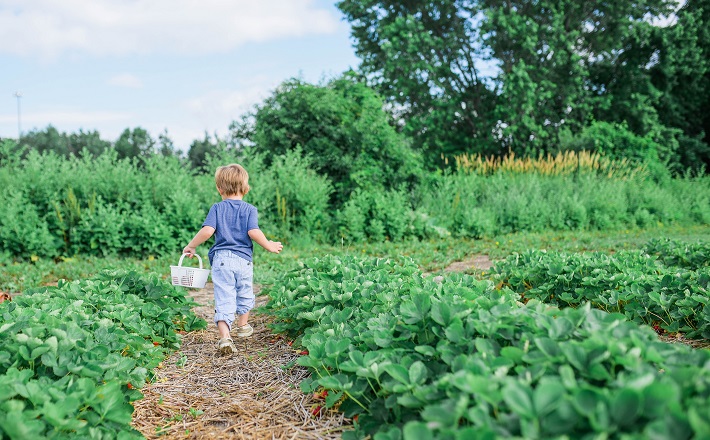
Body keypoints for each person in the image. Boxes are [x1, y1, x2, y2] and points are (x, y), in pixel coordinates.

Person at [182, 164, 283, 355]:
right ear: (245, 187)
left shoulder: (217, 208)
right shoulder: (250, 209)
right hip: (243, 260)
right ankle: (243, 325)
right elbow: (253, 232)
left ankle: (225, 337)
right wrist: (268, 245)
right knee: (245, 291)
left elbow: (207, 231)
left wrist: (192, 245)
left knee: (224, 296)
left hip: (222, 260)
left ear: (220, 188)